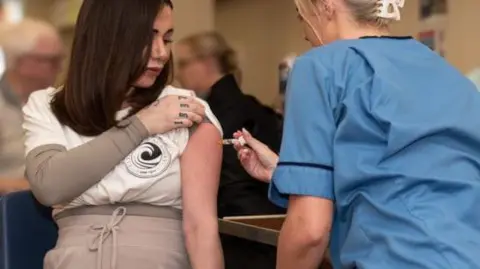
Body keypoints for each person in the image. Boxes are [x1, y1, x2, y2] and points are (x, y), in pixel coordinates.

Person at [233, 0, 480, 268]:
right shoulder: (446, 72)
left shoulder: (319, 68)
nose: (304, 31)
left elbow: (309, 230)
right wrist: (289, 173)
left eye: (299, 14)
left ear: (327, 5)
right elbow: (410, 171)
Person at [23, 1, 224, 269]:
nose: (161, 53)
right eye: (146, 38)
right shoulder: (48, 104)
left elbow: (201, 228)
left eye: (167, 38)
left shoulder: (185, 109)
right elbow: (48, 186)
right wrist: (141, 125)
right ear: (106, 37)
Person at [175, 31, 283, 269]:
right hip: (268, 235)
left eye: (183, 63)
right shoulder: (256, 108)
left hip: (236, 241)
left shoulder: (209, 117)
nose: (177, 73)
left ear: (207, 61)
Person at [0, 18, 64, 194]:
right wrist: (30, 187)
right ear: (18, 61)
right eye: (51, 60)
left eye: (60, 59)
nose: (59, 68)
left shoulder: (59, 103)